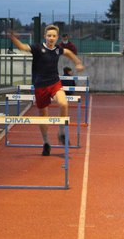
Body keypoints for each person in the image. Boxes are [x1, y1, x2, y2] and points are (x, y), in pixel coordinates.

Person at [9, 24, 84, 156]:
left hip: (54, 83)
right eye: (49, 35)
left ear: (57, 37)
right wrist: (13, 38)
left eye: (54, 36)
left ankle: (61, 132)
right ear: (45, 36)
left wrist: (77, 62)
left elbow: (69, 53)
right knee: (44, 116)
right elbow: (22, 47)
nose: (51, 38)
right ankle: (46, 143)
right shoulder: (37, 48)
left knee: (64, 103)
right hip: (40, 85)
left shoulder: (58, 49)